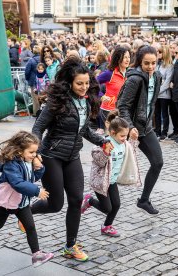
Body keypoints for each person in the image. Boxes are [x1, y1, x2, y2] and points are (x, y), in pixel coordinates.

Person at [31, 58, 110, 262]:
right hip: (52, 156)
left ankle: (70, 246)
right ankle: (27, 212)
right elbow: (38, 128)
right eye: (79, 83)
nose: (84, 88)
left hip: (72, 156)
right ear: (69, 83)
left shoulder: (85, 101)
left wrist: (102, 142)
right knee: (56, 204)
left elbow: (84, 130)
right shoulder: (57, 101)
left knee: (76, 200)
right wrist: (36, 151)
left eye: (86, 83)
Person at [0, 131, 54, 267]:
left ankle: (37, 255)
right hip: (5, 202)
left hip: (21, 203)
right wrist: (37, 191)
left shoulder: (27, 161)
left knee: (30, 227)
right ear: (20, 151)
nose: (34, 155)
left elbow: (31, 178)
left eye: (35, 152)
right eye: (31, 152)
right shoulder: (11, 164)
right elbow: (17, 183)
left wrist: (39, 168)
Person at [117, 45, 163, 214]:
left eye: (153, 63)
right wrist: (130, 127)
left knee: (158, 162)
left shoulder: (157, 76)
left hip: (146, 128)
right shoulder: (134, 79)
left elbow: (151, 103)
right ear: (140, 62)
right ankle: (102, 201)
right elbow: (122, 106)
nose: (150, 67)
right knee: (115, 169)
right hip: (132, 127)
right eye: (146, 63)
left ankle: (144, 200)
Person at [81, 111, 141, 237]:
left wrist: (133, 140)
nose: (125, 139)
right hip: (100, 181)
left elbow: (131, 152)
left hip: (111, 180)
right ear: (113, 133)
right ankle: (89, 200)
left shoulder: (124, 144)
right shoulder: (104, 143)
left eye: (126, 135)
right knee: (107, 208)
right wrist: (106, 152)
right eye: (122, 136)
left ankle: (106, 226)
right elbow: (99, 161)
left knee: (117, 204)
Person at [96, 46, 130, 132]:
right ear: (118, 58)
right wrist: (101, 96)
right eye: (125, 57)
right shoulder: (109, 73)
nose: (127, 60)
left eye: (129, 57)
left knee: (122, 136)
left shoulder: (129, 73)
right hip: (109, 110)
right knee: (113, 136)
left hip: (123, 110)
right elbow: (93, 83)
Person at [154, 45, 175, 141]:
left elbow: (167, 82)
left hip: (164, 94)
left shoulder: (169, 66)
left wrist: (157, 91)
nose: (157, 53)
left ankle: (164, 132)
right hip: (155, 94)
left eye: (160, 52)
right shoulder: (156, 65)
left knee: (164, 114)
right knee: (156, 113)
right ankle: (157, 131)